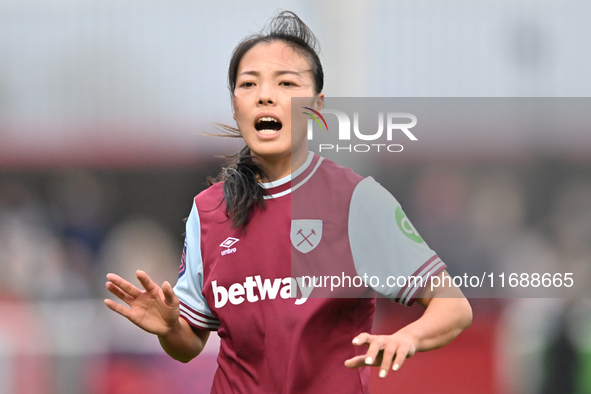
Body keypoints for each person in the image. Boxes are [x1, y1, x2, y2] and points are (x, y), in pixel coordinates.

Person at [104, 10, 472, 393]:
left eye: (286, 83)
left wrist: (406, 339)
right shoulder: (208, 210)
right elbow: (189, 344)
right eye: (249, 84)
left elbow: (453, 307)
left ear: (317, 104)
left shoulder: (357, 201)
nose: (265, 95)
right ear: (235, 106)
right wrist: (169, 329)